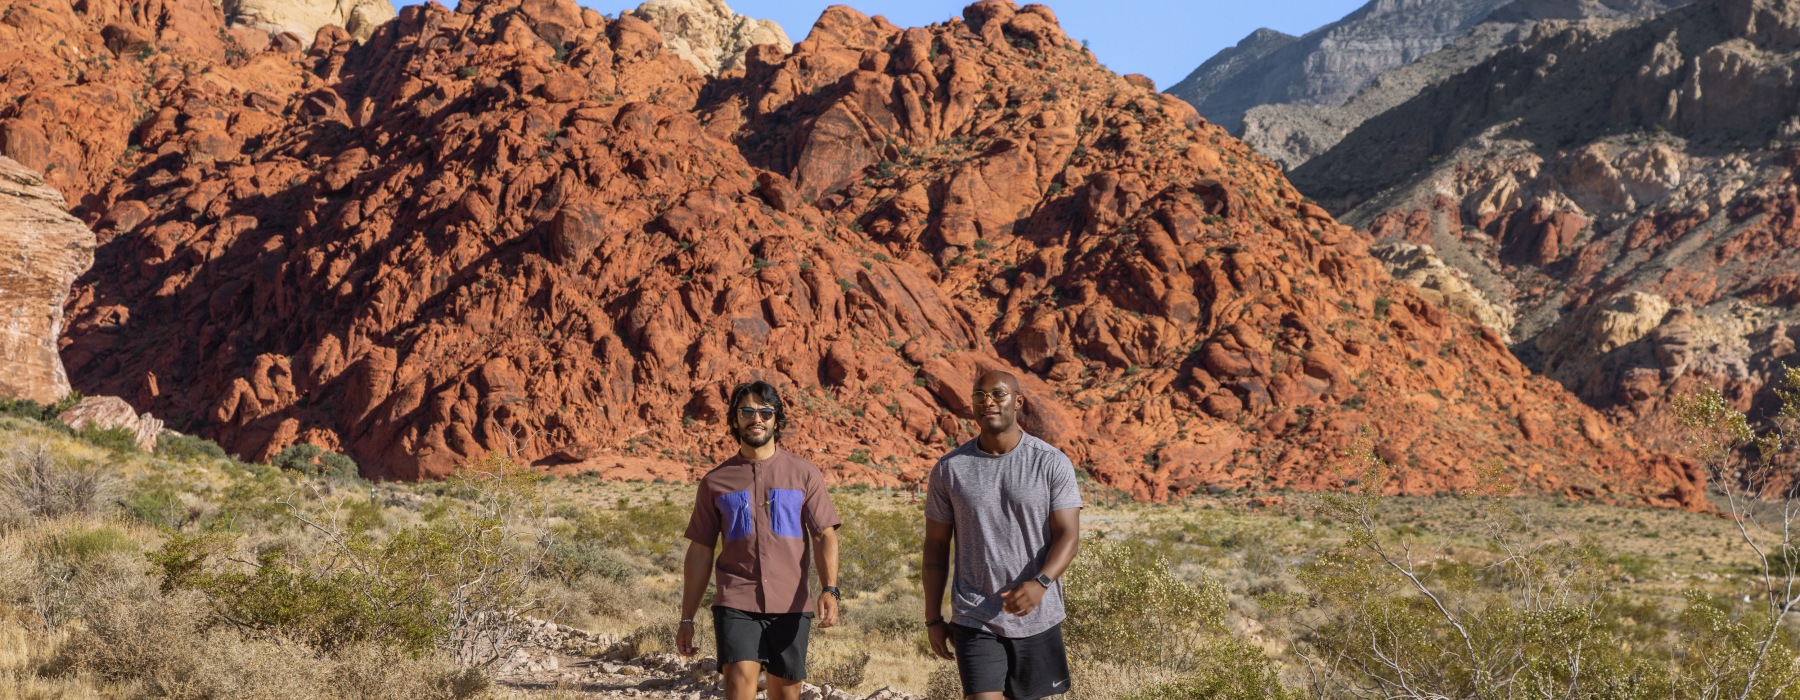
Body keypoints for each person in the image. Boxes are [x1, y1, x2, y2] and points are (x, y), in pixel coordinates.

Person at [923, 370, 1082, 699]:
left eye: (998, 395)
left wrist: (1041, 583)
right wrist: (933, 618)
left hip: (1037, 614)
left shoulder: (1050, 462)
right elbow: (936, 548)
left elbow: (1068, 535)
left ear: (1018, 402)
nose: (988, 403)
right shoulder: (950, 469)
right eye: (979, 396)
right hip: (974, 614)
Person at [678, 380, 842, 700]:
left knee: (785, 694)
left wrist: (830, 588)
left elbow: (824, 534)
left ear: (776, 419)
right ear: (735, 419)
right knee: (738, 683)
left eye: (765, 412)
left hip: (791, 606)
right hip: (736, 601)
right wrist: (687, 617)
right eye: (747, 411)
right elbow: (700, 550)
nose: (757, 419)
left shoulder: (804, 474)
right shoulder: (715, 482)